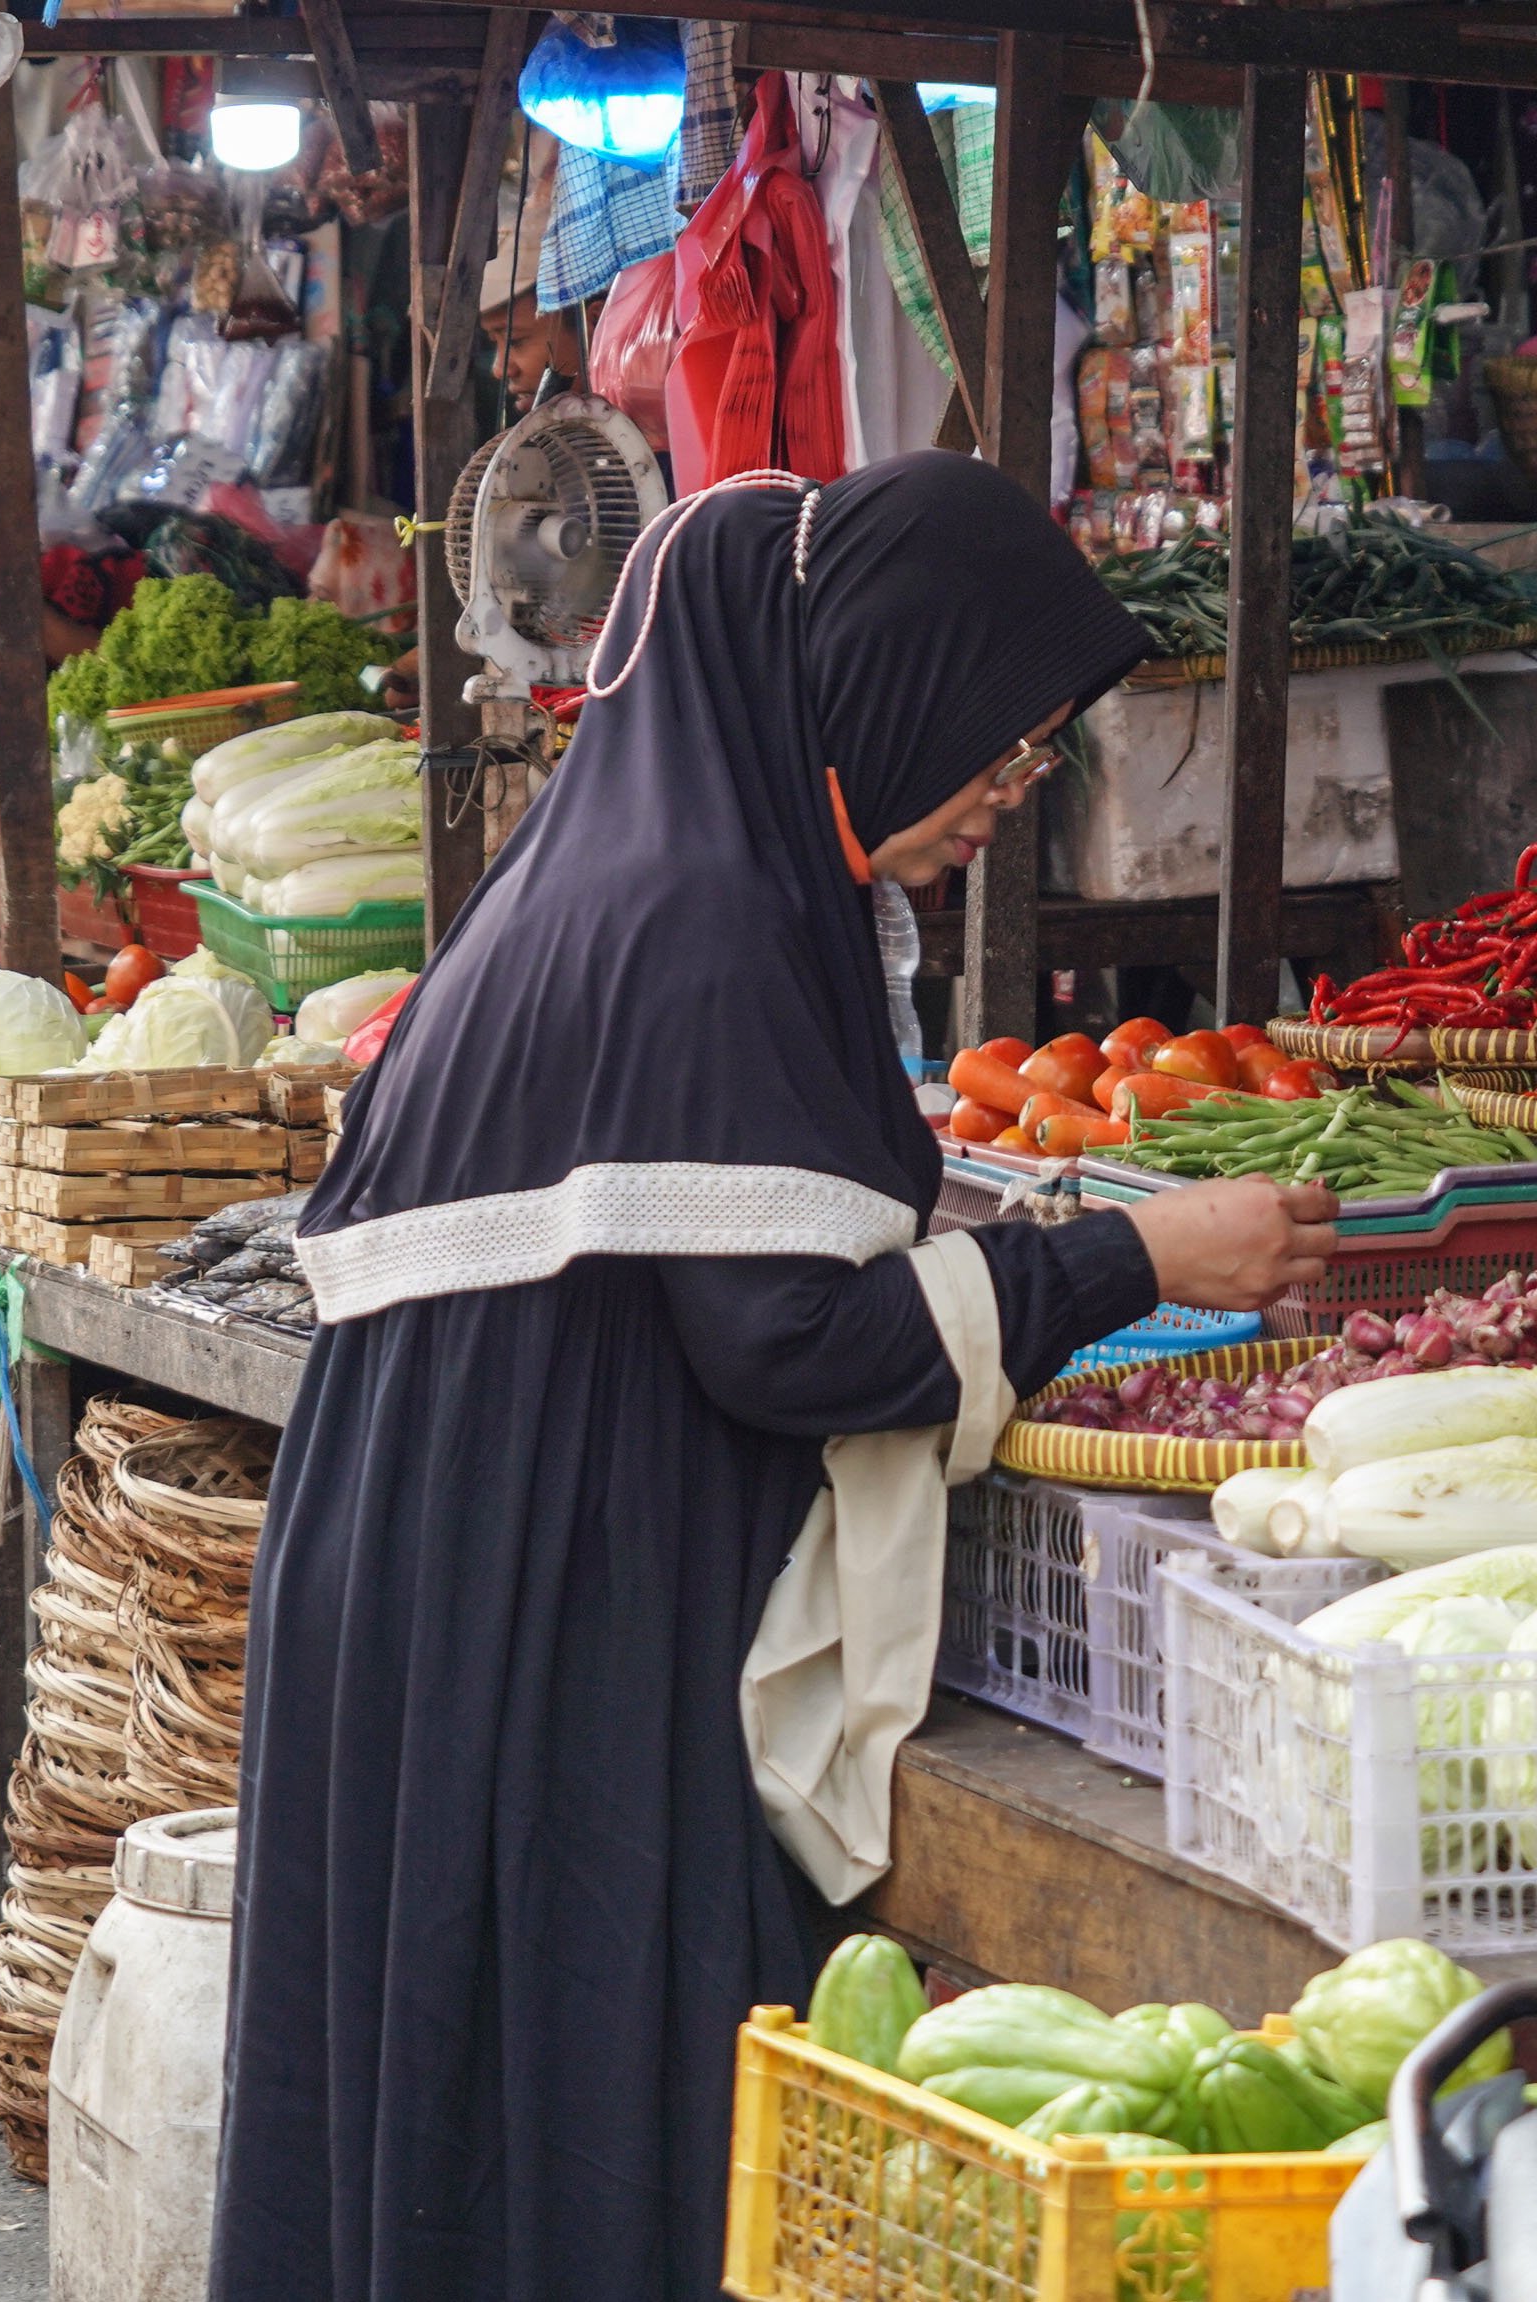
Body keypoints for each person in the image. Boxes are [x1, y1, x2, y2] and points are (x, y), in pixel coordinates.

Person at [209, 453, 1340, 2302]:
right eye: (1003, 733)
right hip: (525, 1590)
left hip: (472, 1544)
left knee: (469, 2091)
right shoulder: (699, 917)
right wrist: (1134, 1253)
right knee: (562, 2081)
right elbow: (787, 1341)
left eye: (1041, 746)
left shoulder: (656, 869)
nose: (1015, 782)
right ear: (878, 674)